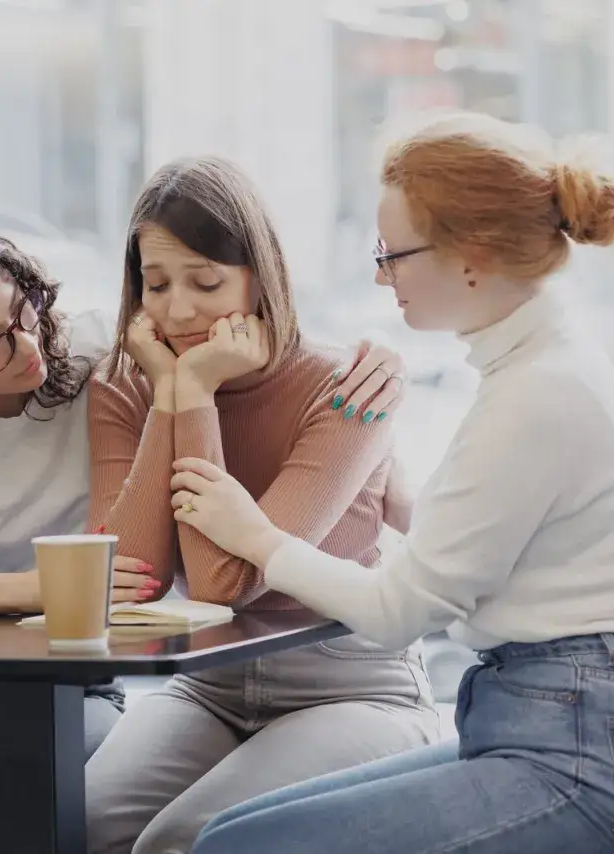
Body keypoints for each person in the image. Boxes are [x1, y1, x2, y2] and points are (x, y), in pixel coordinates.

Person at [0, 220, 403, 854]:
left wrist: (378, 362)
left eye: (22, 311)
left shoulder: (95, 356)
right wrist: (31, 589)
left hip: (66, 678)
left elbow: (264, 356)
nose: (28, 345)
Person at [184, 112, 614, 854]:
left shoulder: (538, 392)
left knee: (234, 848)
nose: (382, 276)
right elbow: (489, 551)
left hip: (588, 746)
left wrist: (253, 533)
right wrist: (392, 499)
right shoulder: (538, 365)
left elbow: (398, 610)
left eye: (392, 254)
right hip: (562, 718)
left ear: (470, 258)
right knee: (225, 835)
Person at [82, 155, 440, 854]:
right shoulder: (126, 386)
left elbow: (227, 583)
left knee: (187, 839)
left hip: (355, 688)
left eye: (206, 282)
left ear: (259, 274)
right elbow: (132, 577)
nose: (177, 308)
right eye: (155, 284)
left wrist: (196, 387)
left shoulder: (347, 390)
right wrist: (177, 394)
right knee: (79, 823)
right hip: (207, 687)